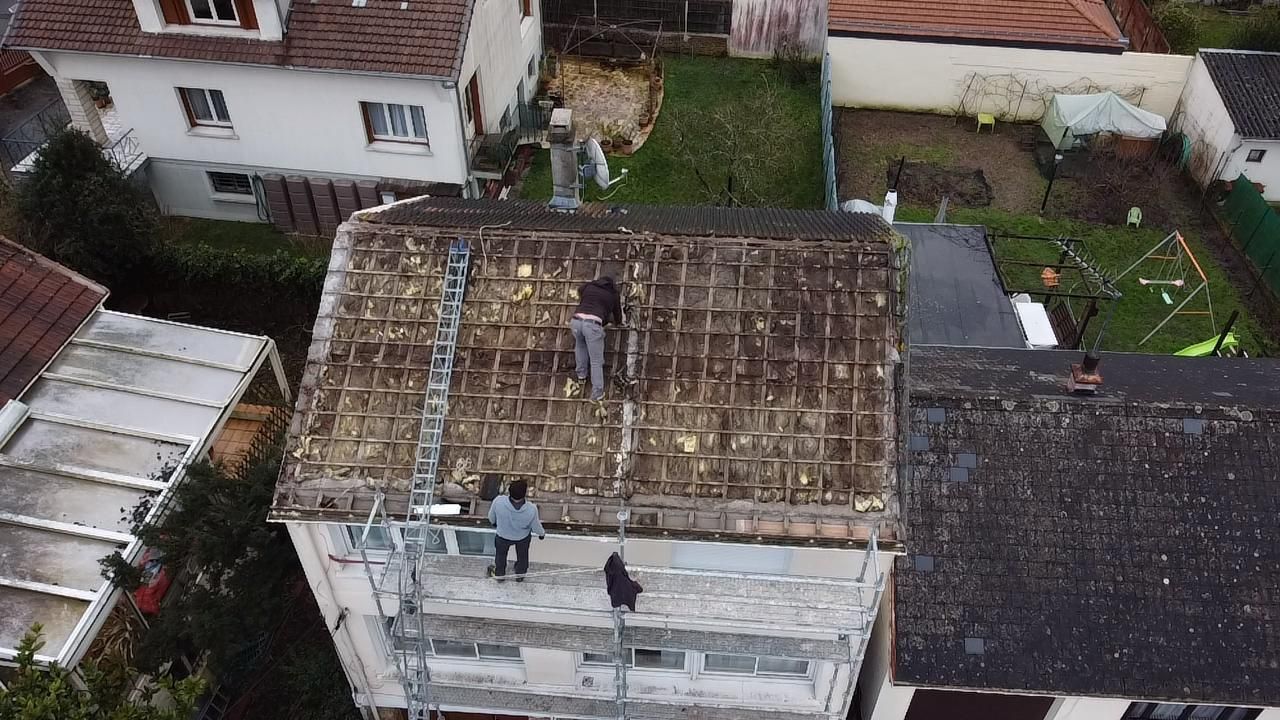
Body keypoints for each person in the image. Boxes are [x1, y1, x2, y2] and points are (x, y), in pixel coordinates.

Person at [571, 276, 623, 402]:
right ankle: (597, 393)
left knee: (580, 346)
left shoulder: (589, 286)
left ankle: (581, 375)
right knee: (596, 361)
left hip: (576, 321)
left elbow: (580, 291)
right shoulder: (613, 294)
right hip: (592, 325)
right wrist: (618, 323)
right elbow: (617, 316)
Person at [486, 480, 545, 582]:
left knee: (500, 556)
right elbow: (536, 526)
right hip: (522, 538)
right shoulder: (531, 509)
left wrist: (495, 524)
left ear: (509, 491)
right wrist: (542, 534)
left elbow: (491, 518)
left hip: (502, 536)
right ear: (524, 494)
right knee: (523, 556)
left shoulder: (498, 501)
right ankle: (520, 575)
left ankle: (500, 575)